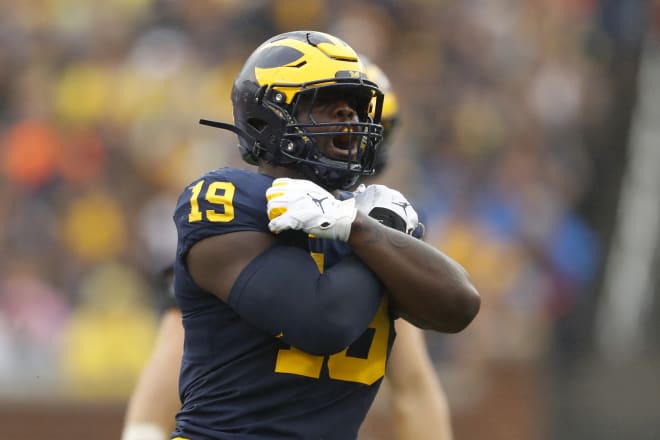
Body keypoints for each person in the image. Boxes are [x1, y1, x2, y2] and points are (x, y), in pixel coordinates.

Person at [131, 30, 480, 440]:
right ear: (268, 116)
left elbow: (459, 307)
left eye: (353, 106)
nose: (349, 117)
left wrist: (359, 226)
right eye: (326, 104)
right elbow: (324, 321)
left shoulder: (371, 215)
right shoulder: (226, 200)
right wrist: (364, 231)